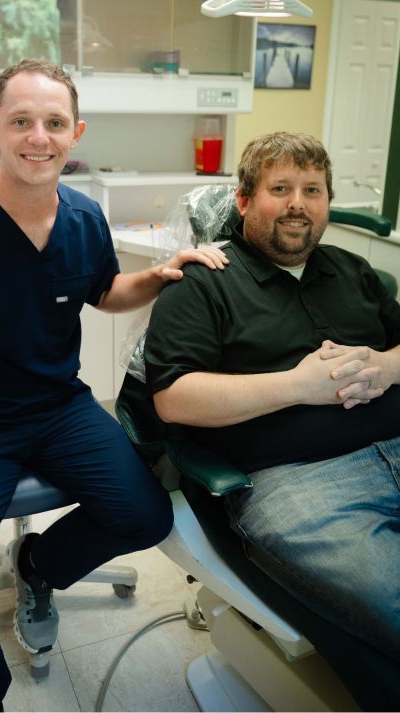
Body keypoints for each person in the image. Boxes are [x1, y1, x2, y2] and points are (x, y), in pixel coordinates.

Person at [0, 58, 229, 712]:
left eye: (54, 123)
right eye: (21, 121)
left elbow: (104, 292)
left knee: (146, 512)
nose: (39, 136)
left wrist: (160, 275)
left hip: (59, 407)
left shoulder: (85, 219)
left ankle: (39, 565)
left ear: (75, 133)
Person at [144, 132, 400, 709]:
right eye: (279, 189)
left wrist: (384, 366)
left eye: (312, 190)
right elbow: (174, 398)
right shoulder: (205, 280)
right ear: (242, 201)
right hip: (301, 482)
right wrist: (298, 386)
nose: (297, 204)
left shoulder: (354, 271)